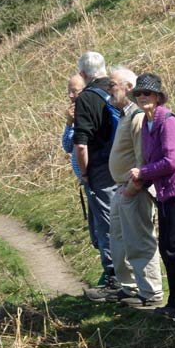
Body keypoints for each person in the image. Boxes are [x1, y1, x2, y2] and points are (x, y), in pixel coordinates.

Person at [128, 73, 175, 316]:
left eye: (148, 93)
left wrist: (143, 172)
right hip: (163, 192)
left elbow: (172, 162)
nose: (143, 97)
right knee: (166, 247)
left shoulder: (168, 121)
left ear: (158, 96)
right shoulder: (146, 122)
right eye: (139, 94)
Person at [106, 67, 164, 307]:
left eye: (113, 85)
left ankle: (151, 292)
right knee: (121, 240)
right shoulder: (127, 115)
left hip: (134, 189)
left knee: (140, 240)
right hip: (123, 187)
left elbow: (143, 157)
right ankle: (131, 288)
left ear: (128, 87)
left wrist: (134, 186)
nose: (109, 89)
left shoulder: (138, 116)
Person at [74, 51, 119, 298]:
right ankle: (133, 278)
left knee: (107, 223)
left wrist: (84, 173)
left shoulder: (86, 99)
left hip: (101, 168)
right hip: (126, 164)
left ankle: (114, 279)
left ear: (83, 74)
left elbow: (81, 145)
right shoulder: (118, 89)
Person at [62, 73, 99, 258]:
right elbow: (67, 146)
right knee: (95, 230)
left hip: (95, 177)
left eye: (74, 91)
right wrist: (69, 123)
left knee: (102, 228)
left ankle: (113, 275)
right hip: (86, 180)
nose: (70, 95)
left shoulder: (90, 111)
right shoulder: (75, 115)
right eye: (68, 91)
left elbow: (78, 146)